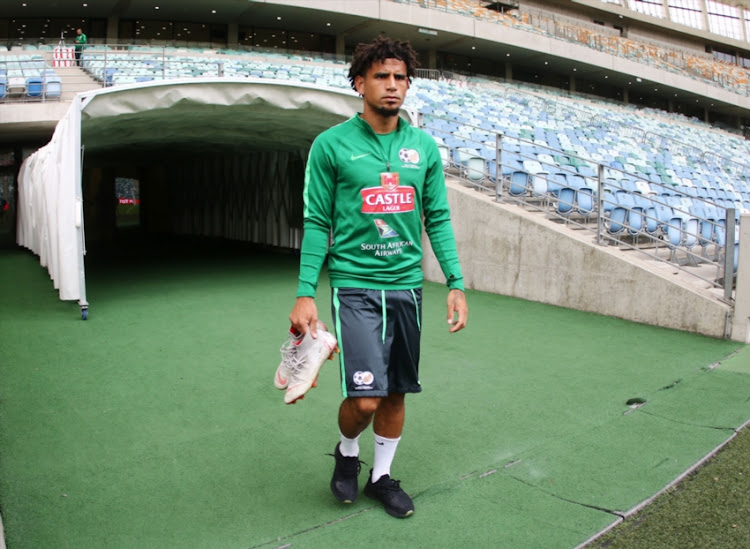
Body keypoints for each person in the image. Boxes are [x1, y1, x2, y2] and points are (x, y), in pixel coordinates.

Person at [286, 36, 468, 519]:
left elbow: (439, 218)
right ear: (359, 82)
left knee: (397, 391)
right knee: (365, 400)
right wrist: (306, 292)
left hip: (407, 286)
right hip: (355, 286)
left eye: (400, 77)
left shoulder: (422, 146)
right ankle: (347, 453)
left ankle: (381, 478)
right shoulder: (331, 145)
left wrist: (455, 281)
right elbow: (317, 221)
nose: (392, 86)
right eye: (382, 76)